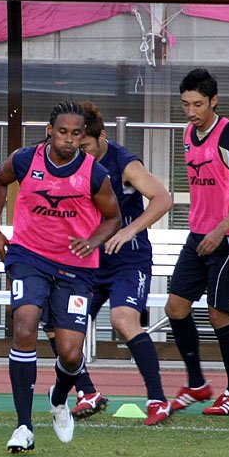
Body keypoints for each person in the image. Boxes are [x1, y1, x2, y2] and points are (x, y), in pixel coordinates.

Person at [0, 101, 121, 453]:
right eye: (62, 132)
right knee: (25, 326)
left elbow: (113, 217)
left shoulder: (94, 173)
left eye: (76, 133)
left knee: (71, 354)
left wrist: (92, 241)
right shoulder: (25, 160)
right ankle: (23, 427)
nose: (69, 139)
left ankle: (59, 397)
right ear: (49, 130)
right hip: (29, 256)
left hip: (76, 267)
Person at [68, 101, 174, 426]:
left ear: (101, 136)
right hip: (89, 261)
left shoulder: (124, 162)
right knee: (62, 325)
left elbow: (163, 198)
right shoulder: (70, 162)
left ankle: (158, 399)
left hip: (129, 260)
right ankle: (87, 392)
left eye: (85, 145)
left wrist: (129, 231)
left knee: (123, 318)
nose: (80, 153)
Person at [166, 68, 229, 417]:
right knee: (175, 307)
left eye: (198, 104)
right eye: (185, 104)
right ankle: (196, 383)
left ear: (214, 101)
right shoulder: (188, 134)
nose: (191, 111)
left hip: (228, 239)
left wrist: (221, 229)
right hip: (197, 236)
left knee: (219, 315)